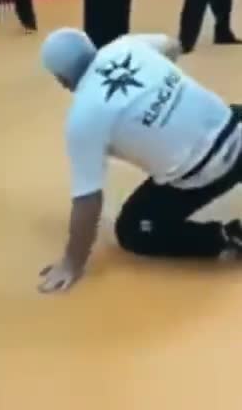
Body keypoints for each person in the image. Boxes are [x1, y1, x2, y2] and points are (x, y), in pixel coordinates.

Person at [38, 27, 242, 294]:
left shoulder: (83, 118)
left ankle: (226, 237)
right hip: (234, 127)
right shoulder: (126, 46)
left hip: (210, 170)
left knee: (133, 230)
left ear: (62, 80)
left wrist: (71, 263)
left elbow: (88, 200)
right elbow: (173, 45)